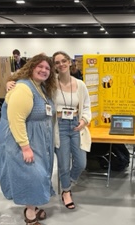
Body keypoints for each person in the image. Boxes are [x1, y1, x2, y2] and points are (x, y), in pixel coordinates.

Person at [0, 54, 57, 225]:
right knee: (30, 173)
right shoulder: (23, 88)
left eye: (47, 68)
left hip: (36, 138)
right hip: (19, 138)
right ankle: (30, 212)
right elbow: (16, 120)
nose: (44, 70)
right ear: (31, 67)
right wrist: (25, 147)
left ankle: (33, 204)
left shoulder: (40, 87)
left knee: (40, 172)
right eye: (40, 66)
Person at [52, 51, 91, 209]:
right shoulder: (50, 83)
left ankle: (69, 181)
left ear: (69, 62)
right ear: (54, 66)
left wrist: (84, 120)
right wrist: (10, 82)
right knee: (63, 163)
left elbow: (87, 106)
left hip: (76, 124)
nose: (61, 64)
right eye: (57, 62)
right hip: (59, 125)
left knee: (81, 162)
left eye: (63, 61)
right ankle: (66, 191)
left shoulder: (80, 85)